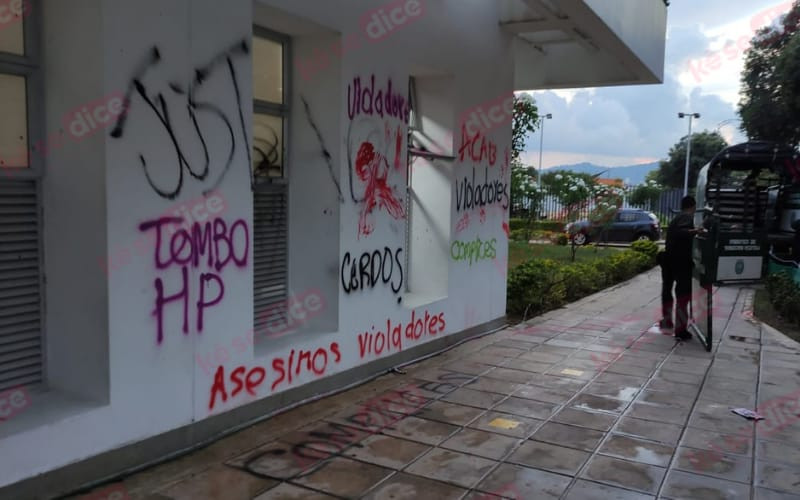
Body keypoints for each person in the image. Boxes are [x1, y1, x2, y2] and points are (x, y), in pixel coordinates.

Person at [659, 196, 704, 340]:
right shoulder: (686, 217)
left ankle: (667, 320)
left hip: (668, 259)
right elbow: (681, 232)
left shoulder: (677, 217)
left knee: (667, 290)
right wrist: (696, 231)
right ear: (693, 206)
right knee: (683, 294)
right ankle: (681, 329)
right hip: (680, 262)